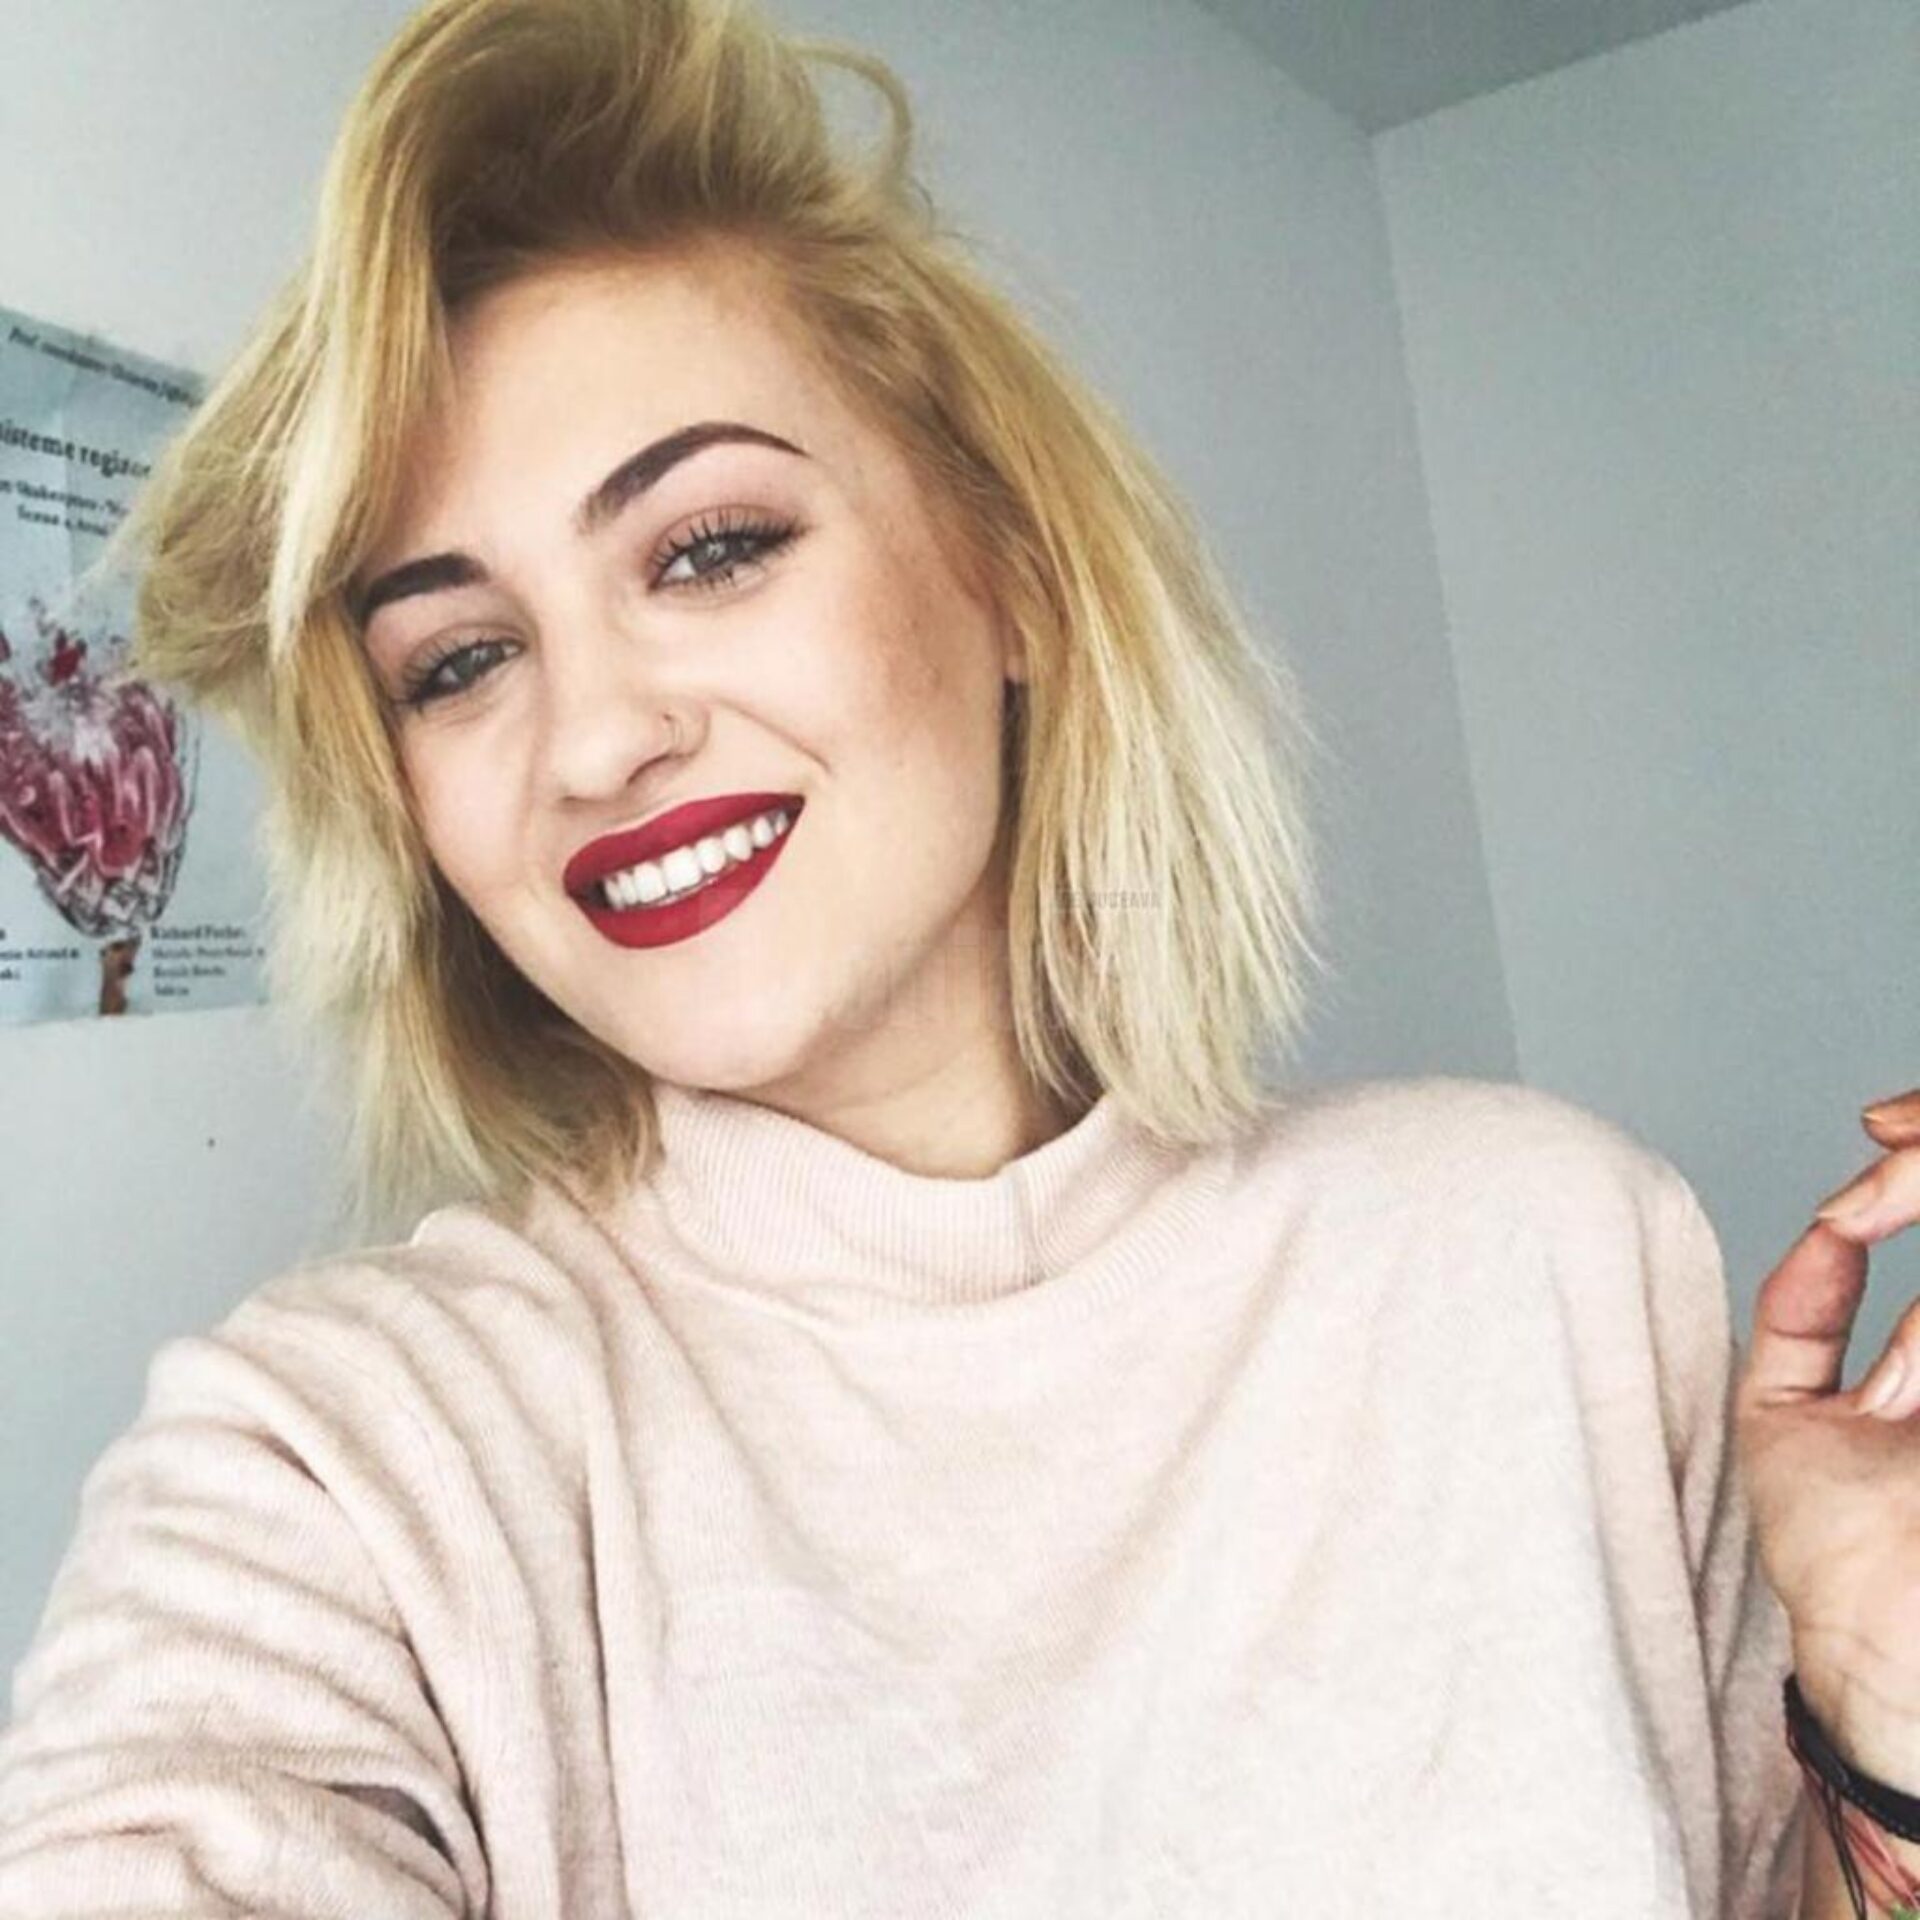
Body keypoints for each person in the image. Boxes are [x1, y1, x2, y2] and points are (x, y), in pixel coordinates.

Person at [3, 0, 1917, 1912]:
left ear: (1007, 570)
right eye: (461, 661)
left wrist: (1892, 1735)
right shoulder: (346, 1456)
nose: (590, 741)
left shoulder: (1548, 1252)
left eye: (708, 548)